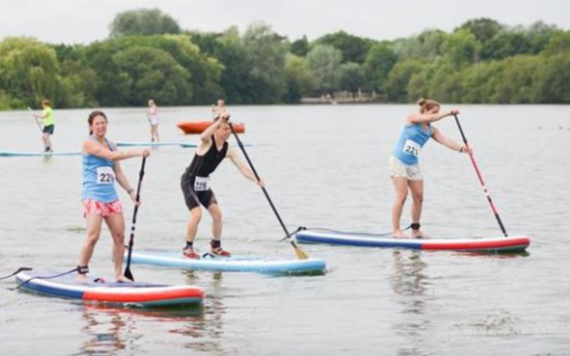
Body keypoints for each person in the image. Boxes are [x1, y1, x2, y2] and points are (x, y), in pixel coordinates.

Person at [77, 110, 151, 283]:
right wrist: (138, 152)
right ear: (91, 126)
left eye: (103, 122)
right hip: (93, 196)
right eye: (97, 123)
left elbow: (117, 172)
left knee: (119, 236)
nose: (101, 126)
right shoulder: (88, 144)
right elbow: (109, 156)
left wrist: (131, 192)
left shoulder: (111, 144)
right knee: (93, 235)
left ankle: (118, 274)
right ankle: (81, 272)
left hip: (111, 197)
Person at [180, 112, 262, 259]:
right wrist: (219, 122)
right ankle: (188, 248)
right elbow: (202, 136)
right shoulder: (207, 142)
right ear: (216, 129)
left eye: (229, 129)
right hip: (189, 181)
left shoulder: (228, 149)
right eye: (224, 129)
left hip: (203, 183)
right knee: (197, 214)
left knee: (217, 215)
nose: (227, 132)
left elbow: (243, 168)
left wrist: (256, 179)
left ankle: (215, 247)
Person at [390, 98, 471, 239]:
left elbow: (446, 141)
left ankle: (415, 230)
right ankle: (396, 231)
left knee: (419, 197)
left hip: (413, 163)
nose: (435, 115)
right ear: (425, 111)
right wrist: (448, 113)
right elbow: (431, 117)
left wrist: (462, 149)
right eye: (434, 112)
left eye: (437, 112)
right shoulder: (412, 118)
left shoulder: (431, 130)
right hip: (398, 161)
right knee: (402, 195)